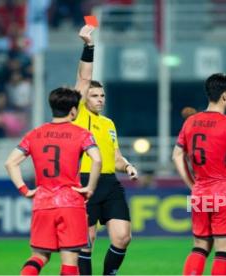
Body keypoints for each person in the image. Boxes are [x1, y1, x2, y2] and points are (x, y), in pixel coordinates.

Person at [4, 27, 102, 276]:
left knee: (38, 256)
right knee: (70, 261)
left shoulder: (35, 133)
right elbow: (97, 158)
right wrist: (89, 187)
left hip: (43, 202)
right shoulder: (80, 132)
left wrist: (25, 190)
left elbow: (10, 163)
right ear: (73, 110)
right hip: (70, 201)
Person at [172, 73, 226, 275]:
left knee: (200, 246)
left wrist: (192, 185)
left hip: (200, 193)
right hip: (225, 192)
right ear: (225, 96)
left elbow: (176, 156)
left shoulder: (190, 122)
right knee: (225, 251)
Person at [73, 24, 138, 275]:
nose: (100, 99)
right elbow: (83, 78)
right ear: (84, 99)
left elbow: (116, 157)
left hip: (110, 183)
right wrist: (89, 46)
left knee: (123, 237)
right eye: (95, 96)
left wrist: (129, 166)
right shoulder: (76, 115)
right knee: (86, 242)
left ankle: (109, 274)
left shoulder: (108, 123)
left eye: (102, 96)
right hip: (84, 183)